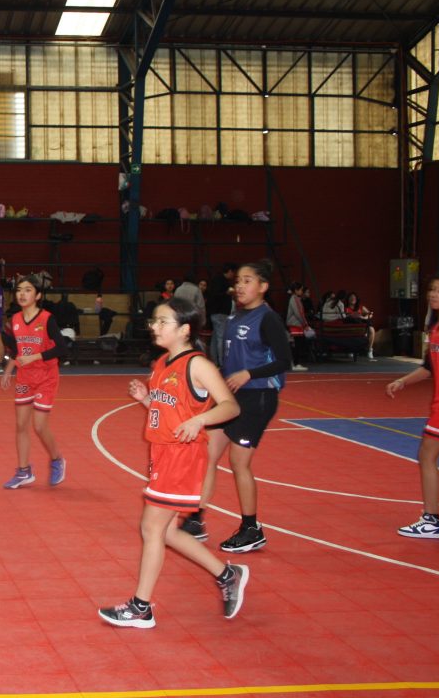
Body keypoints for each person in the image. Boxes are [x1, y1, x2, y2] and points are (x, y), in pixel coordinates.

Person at [97, 297, 247, 629]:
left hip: (183, 455)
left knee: (151, 528)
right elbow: (169, 409)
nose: (154, 326)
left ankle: (141, 607)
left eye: (163, 322)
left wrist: (200, 421)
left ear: (184, 329)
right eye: (154, 321)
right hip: (162, 454)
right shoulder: (162, 363)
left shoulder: (198, 365)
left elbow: (230, 406)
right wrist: (146, 400)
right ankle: (227, 574)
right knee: (165, 532)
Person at [182, 260, 292, 553]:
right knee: (207, 454)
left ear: (263, 287)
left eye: (247, 281)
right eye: (239, 281)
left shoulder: (267, 319)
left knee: (238, 462)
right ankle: (196, 518)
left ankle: (251, 528)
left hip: (257, 398)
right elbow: (231, 361)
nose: (240, 286)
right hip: (231, 397)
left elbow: (284, 361)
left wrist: (249, 374)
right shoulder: (235, 319)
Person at [385, 272, 439, 539]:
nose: (434, 294)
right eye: (432, 290)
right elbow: (429, 367)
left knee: (427, 456)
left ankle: (431, 520)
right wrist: (403, 381)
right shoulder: (435, 327)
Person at [0, 274, 68, 489]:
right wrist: (8, 370)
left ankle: (57, 459)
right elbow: (15, 350)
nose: (22, 293)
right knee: (20, 425)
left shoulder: (47, 319)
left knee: (39, 425)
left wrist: (36, 357)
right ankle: (23, 471)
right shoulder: (15, 320)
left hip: (46, 376)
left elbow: (62, 348)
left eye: (28, 290)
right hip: (24, 377)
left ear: (37, 295)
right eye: (19, 289)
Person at [207, 263, 236, 367]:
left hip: (214, 312)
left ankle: (214, 360)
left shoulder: (216, 279)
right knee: (221, 337)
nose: (233, 275)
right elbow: (217, 295)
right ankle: (222, 362)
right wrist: (228, 293)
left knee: (215, 336)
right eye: (233, 272)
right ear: (230, 271)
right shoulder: (222, 282)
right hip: (220, 312)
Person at [285, 282, 312, 372]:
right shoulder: (295, 298)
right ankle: (295, 364)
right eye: (300, 290)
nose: (302, 291)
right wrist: (305, 324)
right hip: (295, 325)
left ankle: (295, 363)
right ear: (296, 290)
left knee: (296, 345)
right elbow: (299, 313)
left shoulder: (294, 298)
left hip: (295, 324)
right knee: (297, 345)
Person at [344, 291, 376, 360]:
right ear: (348, 299)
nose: (353, 299)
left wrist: (364, 317)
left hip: (361, 325)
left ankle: (369, 350)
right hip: (350, 326)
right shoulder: (345, 308)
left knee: (371, 330)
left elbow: (370, 314)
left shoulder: (361, 307)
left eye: (354, 298)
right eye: (351, 298)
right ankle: (350, 350)